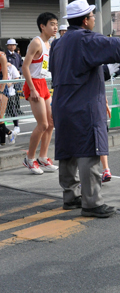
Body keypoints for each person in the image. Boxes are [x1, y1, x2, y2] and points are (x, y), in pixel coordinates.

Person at [49, 0, 120, 218]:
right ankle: (92, 203)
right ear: (85, 20)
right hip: (84, 104)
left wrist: (109, 70)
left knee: (67, 151)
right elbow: (116, 46)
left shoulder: (58, 43)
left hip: (62, 103)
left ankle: (71, 196)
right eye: (92, 17)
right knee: (89, 151)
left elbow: (75, 70)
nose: (94, 20)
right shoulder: (86, 39)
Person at [22, 13, 59, 175]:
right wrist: (33, 88)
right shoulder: (36, 42)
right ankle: (30, 159)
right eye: (52, 24)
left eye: (56, 24)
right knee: (42, 124)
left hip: (43, 83)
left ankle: (43, 157)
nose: (55, 27)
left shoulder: (48, 43)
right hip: (34, 84)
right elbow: (25, 67)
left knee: (51, 123)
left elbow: (44, 68)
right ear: (42, 26)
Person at [5, 61, 21, 135]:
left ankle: (16, 126)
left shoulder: (11, 67)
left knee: (12, 110)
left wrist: (10, 83)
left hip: (10, 93)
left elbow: (17, 78)